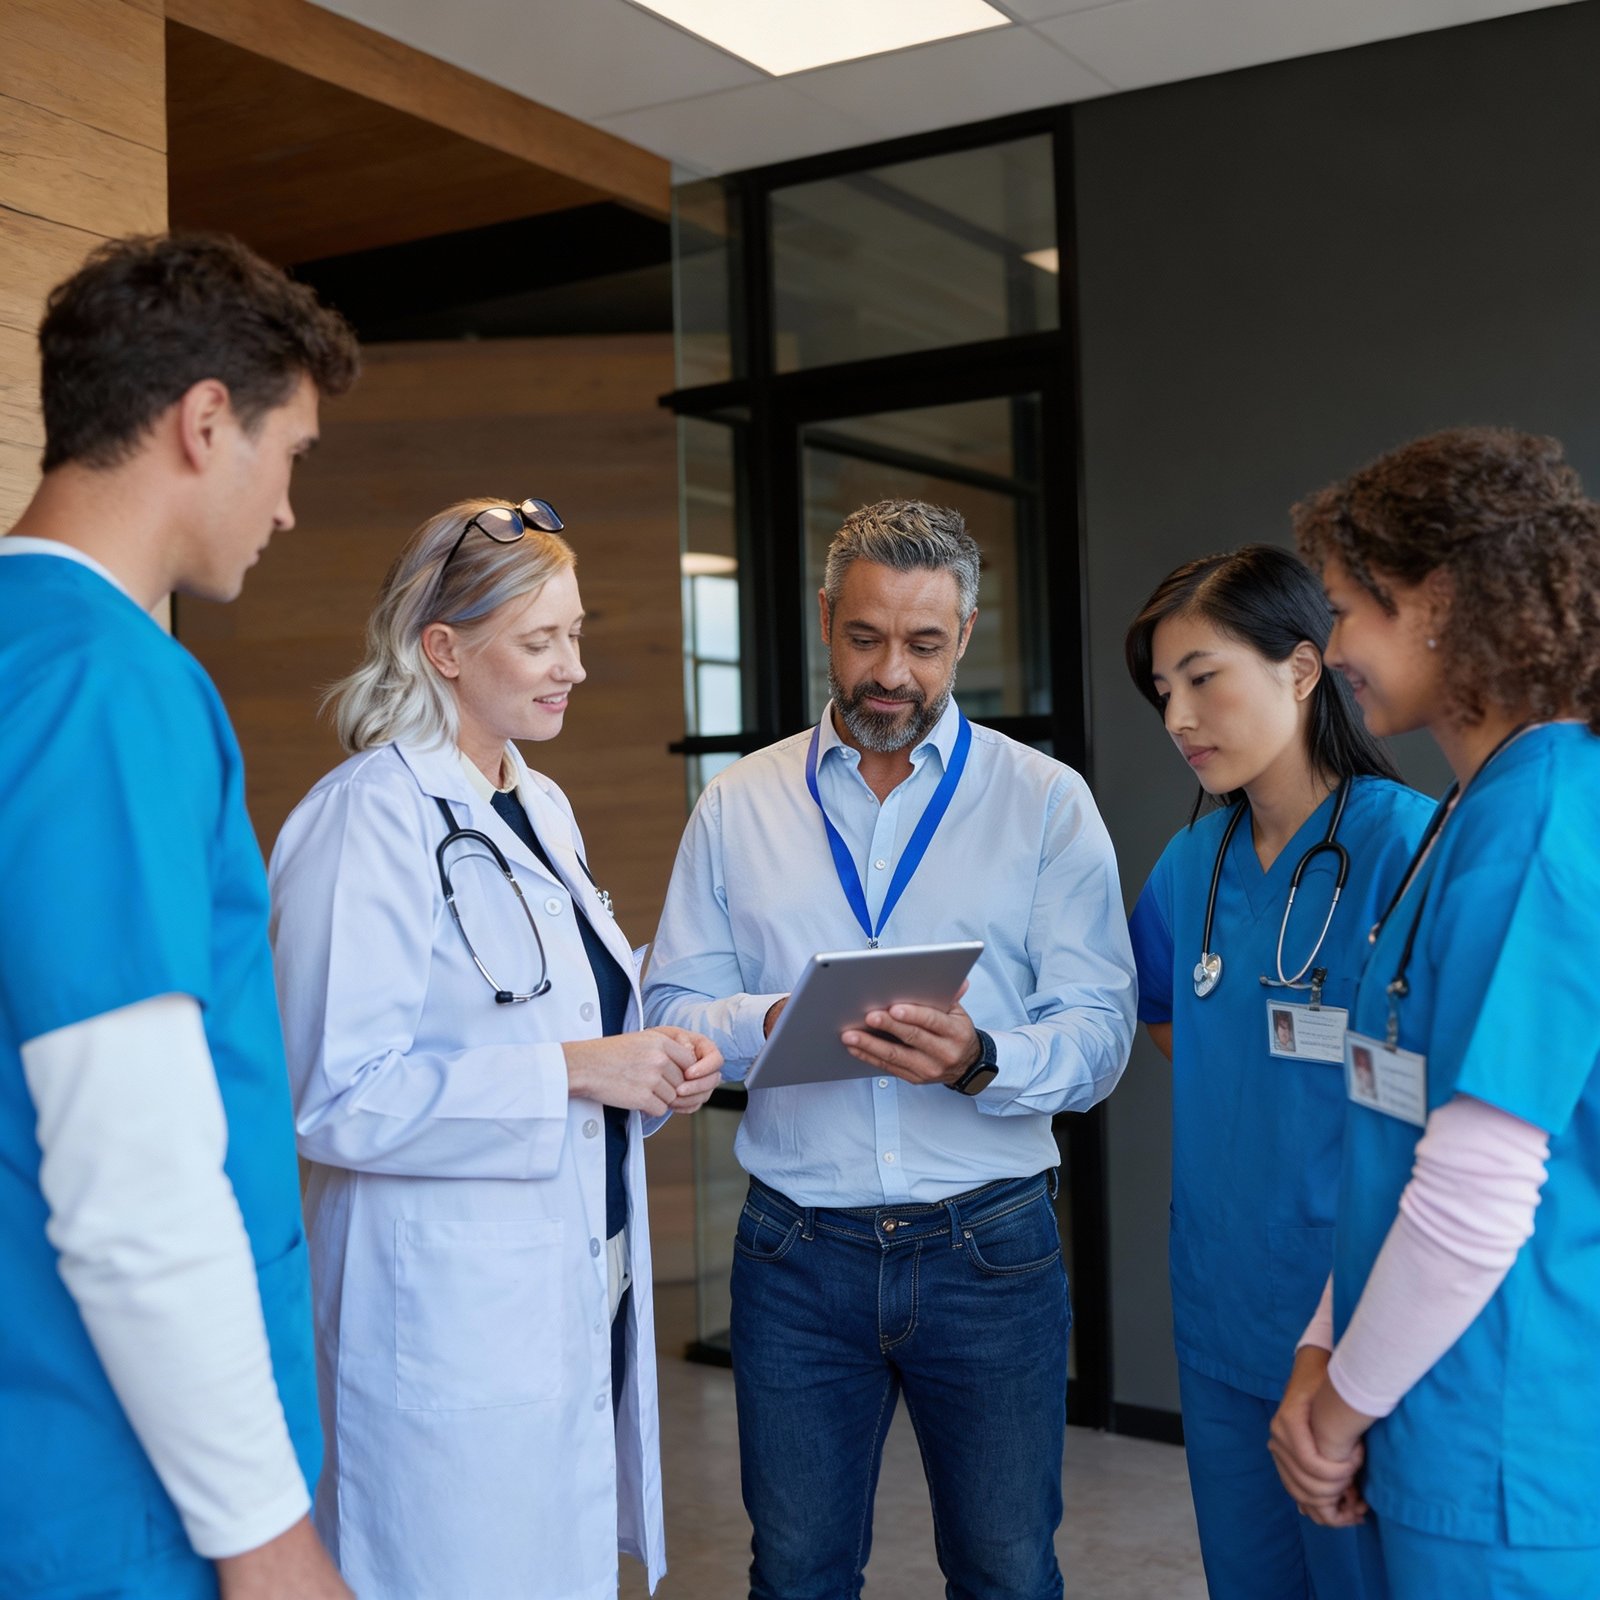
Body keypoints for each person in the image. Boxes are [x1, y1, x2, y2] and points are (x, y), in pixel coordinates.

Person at [644, 498, 1136, 1600]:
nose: (890, 673)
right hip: (793, 1252)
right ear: (825, 619)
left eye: (921, 643)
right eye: (865, 637)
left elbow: (1099, 1034)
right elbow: (671, 1002)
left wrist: (982, 1058)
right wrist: (764, 1025)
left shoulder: (1044, 803)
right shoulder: (737, 803)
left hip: (990, 1247)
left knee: (1007, 1569)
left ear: (964, 633)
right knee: (799, 1571)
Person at [268, 497, 723, 1599]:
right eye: (540, 641)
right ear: (444, 650)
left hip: (561, 1294)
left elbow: (555, 1017)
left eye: (576, 633)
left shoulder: (540, 802)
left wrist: (656, 1059)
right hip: (439, 1323)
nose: (572, 666)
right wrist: (578, 1068)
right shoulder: (364, 817)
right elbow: (331, 1096)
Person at [0, 233, 358, 1598]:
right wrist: (269, 1541)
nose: (284, 510)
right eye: (292, 456)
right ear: (206, 422)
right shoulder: (112, 686)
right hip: (110, 1498)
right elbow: (132, 1176)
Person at [1269, 428, 1600, 1598]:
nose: (1333, 648)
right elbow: (1393, 1135)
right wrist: (1322, 1355)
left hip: (1506, 1446)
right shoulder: (1467, 812)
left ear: (1441, 602)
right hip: (1422, 1407)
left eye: (1350, 608)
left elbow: (1479, 1185)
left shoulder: (1544, 815)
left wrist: (1338, 1403)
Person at [1124, 545, 1433, 1600]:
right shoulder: (1187, 866)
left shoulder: (1407, 851)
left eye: (1203, 677)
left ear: (1302, 670)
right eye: (1163, 691)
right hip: (1219, 1303)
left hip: (1352, 1312)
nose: (1177, 718)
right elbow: (1172, 1017)